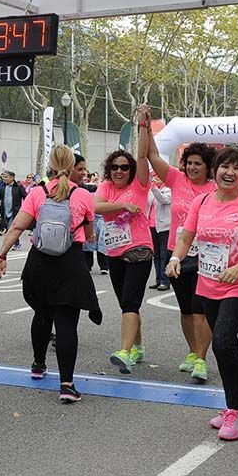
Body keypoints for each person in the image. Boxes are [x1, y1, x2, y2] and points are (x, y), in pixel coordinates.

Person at [168, 147, 238, 440]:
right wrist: (176, 258)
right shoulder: (201, 202)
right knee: (227, 347)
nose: (230, 172)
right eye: (225, 166)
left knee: (223, 342)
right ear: (215, 170)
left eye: (237, 168)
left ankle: (233, 410)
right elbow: (186, 235)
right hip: (207, 283)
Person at [0, 145, 100, 402]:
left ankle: (38, 364)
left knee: (42, 315)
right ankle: (67, 385)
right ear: (73, 166)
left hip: (39, 263)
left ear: (51, 165)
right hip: (70, 263)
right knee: (66, 323)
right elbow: (89, 236)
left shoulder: (37, 193)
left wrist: (1, 255)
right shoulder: (83, 195)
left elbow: (17, 226)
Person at [143, 120, 217, 381]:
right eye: (190, 162)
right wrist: (145, 128)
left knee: (200, 309)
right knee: (186, 308)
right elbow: (152, 155)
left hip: (207, 256)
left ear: (208, 167)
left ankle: (202, 358)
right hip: (178, 252)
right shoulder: (176, 178)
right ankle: (192, 351)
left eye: (199, 163)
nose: (193, 167)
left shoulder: (215, 188)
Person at [96, 120, 152, 376]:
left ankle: (125, 352)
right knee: (127, 304)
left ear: (131, 170)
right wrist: (122, 206)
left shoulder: (139, 185)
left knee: (130, 301)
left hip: (139, 249)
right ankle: (138, 346)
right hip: (115, 251)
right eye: (115, 167)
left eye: (124, 167)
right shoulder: (105, 187)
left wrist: (144, 126)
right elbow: (95, 207)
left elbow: (142, 155)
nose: (119, 171)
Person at [73, 154, 108, 274]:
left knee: (100, 245)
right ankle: (88, 265)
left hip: (96, 221)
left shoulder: (88, 190)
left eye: (85, 170)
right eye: (79, 169)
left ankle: (104, 266)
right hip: (66, 247)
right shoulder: (45, 191)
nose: (84, 173)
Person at [148, 175, 171, 291]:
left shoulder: (168, 189)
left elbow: (164, 200)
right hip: (151, 226)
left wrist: (153, 188)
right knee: (155, 255)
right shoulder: (151, 191)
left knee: (164, 255)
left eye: (158, 177)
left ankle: (165, 280)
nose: (155, 179)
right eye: (154, 177)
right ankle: (158, 279)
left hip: (164, 227)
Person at [0, 170, 26, 243]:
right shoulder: (3, 187)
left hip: (15, 211)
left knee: (11, 228)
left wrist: (24, 208)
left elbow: (25, 197)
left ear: (12, 177)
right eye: (3, 177)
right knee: (9, 228)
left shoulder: (19, 187)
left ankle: (13, 243)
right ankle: (16, 242)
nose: (4, 179)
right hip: (5, 211)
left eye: (6, 177)